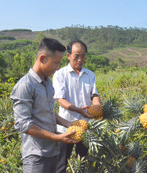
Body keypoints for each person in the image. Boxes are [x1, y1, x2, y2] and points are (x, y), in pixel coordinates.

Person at [10, 37, 78, 173]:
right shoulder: (25, 86)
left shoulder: (47, 83)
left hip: (53, 151)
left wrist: (68, 124)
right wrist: (57, 137)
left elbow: (49, 111)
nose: (58, 68)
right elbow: (24, 125)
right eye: (55, 63)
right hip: (37, 156)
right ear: (42, 59)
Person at [53, 39, 101, 173]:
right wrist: (78, 110)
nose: (80, 59)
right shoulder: (60, 74)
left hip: (85, 127)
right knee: (61, 163)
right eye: (76, 56)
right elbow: (61, 100)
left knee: (83, 162)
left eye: (83, 56)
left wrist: (97, 106)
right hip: (66, 127)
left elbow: (94, 95)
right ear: (68, 56)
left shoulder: (90, 75)